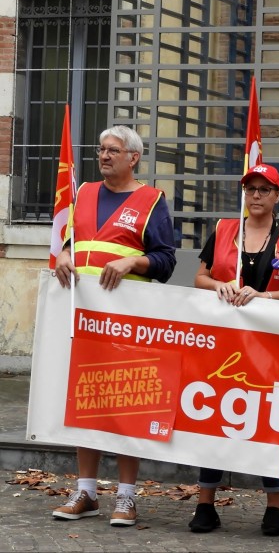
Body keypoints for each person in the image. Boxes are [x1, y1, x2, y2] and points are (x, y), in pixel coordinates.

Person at [51, 125, 177, 527]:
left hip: (127, 322)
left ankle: (125, 496)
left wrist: (132, 261)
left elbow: (166, 260)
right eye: (101, 149)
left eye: (113, 150)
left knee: (127, 403)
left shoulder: (151, 200)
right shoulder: (84, 193)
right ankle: (86, 492)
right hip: (84, 319)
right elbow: (73, 241)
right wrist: (64, 254)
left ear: (133, 158)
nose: (104, 156)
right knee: (85, 401)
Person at [187, 163, 279, 536]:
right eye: (250, 189)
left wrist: (264, 296)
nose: (256, 196)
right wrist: (219, 286)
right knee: (214, 418)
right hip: (223, 343)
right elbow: (200, 277)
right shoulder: (224, 229)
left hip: (269, 345)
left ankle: (274, 507)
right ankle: (205, 503)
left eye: (264, 189)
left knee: (268, 421)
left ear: (277, 195)